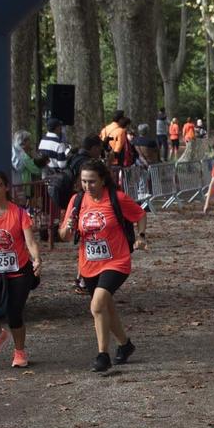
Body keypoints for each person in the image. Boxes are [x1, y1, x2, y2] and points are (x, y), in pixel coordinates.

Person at [60, 158, 147, 373]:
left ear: (103, 180)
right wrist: (69, 228)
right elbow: (63, 235)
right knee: (106, 308)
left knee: (97, 305)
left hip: (116, 261)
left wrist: (142, 236)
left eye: (92, 181)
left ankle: (102, 355)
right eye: (83, 181)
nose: (87, 186)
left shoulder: (116, 198)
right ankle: (125, 345)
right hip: (89, 264)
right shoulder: (77, 201)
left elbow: (140, 214)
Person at [0, 169, 43, 368]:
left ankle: (19, 352)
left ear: (6, 187)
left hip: (19, 270)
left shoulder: (19, 213)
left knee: (14, 313)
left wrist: (37, 258)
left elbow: (30, 240)